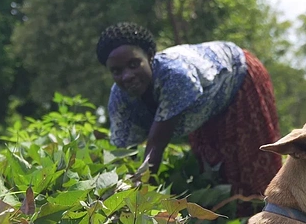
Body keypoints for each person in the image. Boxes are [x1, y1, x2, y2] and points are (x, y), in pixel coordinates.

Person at [95, 22, 282, 198]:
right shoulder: (119, 96)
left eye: (134, 64)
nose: (127, 76)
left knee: (251, 164)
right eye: (117, 71)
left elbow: (156, 143)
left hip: (239, 77)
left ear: (150, 56)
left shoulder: (175, 76)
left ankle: (271, 218)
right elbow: (121, 151)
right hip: (207, 106)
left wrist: (138, 198)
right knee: (213, 167)